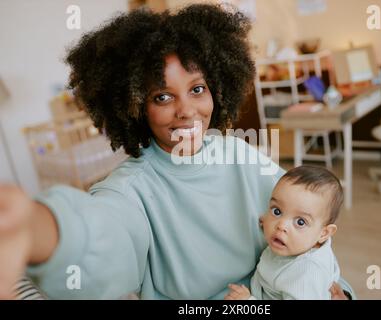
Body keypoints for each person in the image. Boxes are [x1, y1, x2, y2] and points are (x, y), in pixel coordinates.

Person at [0, 4, 352, 300]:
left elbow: (310, 227)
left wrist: (339, 291)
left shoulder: (239, 154)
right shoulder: (130, 189)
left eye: (197, 88)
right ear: (134, 106)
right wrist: (31, 228)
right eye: (162, 96)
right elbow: (101, 239)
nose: (186, 110)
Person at [225, 166, 343, 300]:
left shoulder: (306, 275)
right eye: (277, 211)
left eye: (300, 222)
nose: (281, 225)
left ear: (324, 233)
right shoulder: (305, 241)